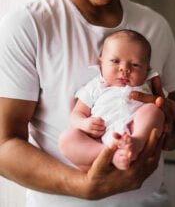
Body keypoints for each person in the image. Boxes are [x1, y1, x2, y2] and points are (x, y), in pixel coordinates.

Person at [0, 0, 175, 207]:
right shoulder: (29, 25)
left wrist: (163, 120)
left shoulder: (153, 26)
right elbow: (4, 146)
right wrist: (85, 187)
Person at [59, 29, 167, 171]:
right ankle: (109, 154)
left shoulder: (147, 86)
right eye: (115, 61)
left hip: (134, 130)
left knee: (153, 110)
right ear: (101, 63)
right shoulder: (95, 87)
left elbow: (170, 107)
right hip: (98, 139)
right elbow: (76, 113)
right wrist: (84, 123)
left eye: (135, 65)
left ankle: (136, 143)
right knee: (67, 139)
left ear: (147, 70)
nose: (124, 69)